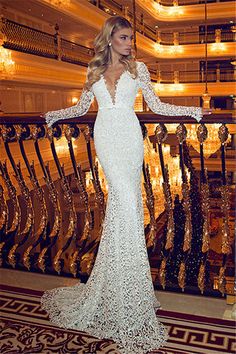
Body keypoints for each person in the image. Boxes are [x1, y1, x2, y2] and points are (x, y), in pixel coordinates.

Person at [40, 16, 212, 354]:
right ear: (109, 39)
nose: (129, 43)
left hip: (131, 141)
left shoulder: (140, 70)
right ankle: (125, 290)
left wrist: (192, 110)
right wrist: (55, 115)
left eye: (131, 38)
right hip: (105, 139)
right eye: (123, 37)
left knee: (128, 210)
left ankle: (132, 292)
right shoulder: (93, 71)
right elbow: (80, 107)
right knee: (123, 207)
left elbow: (158, 105)